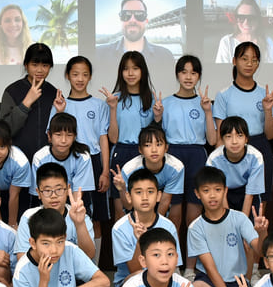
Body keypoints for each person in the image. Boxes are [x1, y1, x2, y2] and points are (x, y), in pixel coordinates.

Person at [188, 167, 269, 287]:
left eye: (217, 190)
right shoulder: (195, 227)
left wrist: (262, 233)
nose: (212, 195)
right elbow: (210, 269)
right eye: (206, 190)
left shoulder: (239, 218)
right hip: (209, 281)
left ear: (225, 191)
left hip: (237, 281)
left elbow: (261, 252)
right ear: (197, 194)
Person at [160, 55, 218, 234]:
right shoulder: (165, 103)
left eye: (193, 73)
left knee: (195, 211)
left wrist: (208, 112)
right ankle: (172, 252)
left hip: (197, 155)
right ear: (177, 74)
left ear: (199, 76)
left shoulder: (204, 103)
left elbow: (212, 140)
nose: (188, 77)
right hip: (172, 155)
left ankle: (193, 253)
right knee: (173, 211)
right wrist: (157, 117)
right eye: (184, 72)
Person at [213, 41, 273, 201]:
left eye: (254, 60)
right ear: (234, 61)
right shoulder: (224, 94)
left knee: (260, 201)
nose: (249, 64)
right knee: (230, 200)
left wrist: (268, 109)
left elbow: (270, 135)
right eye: (244, 59)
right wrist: (219, 162)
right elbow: (220, 136)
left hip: (259, 145)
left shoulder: (265, 94)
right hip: (232, 149)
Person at [50, 56, 111, 224]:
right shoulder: (60, 104)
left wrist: (105, 171)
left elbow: (103, 139)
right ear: (67, 75)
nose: (80, 79)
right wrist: (60, 111)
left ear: (90, 77)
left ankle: (94, 243)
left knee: (95, 217)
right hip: (67, 160)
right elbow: (53, 135)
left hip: (93, 160)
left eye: (85, 74)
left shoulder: (99, 105)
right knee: (64, 213)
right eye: (75, 74)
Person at [110, 169, 180, 287]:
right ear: (129, 196)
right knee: (142, 276)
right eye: (138, 192)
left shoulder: (168, 226)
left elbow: (173, 264)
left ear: (158, 196)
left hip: (162, 276)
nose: (145, 197)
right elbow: (134, 270)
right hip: (130, 280)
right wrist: (140, 241)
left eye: (150, 192)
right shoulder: (119, 228)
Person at [14, 164, 96, 262]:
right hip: (41, 269)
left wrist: (79, 224)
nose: (53, 196)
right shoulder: (29, 217)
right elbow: (22, 258)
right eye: (47, 190)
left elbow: (89, 255)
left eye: (59, 189)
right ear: (38, 193)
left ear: (68, 189)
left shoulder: (80, 215)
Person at [93, 0, 178, 83]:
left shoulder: (166, 57)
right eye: (126, 15)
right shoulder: (98, 54)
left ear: (146, 21)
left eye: (139, 15)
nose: (132, 20)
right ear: (121, 20)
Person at [101, 49, 159, 179]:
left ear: (143, 71)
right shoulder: (114, 99)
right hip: (121, 152)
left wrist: (158, 116)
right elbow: (113, 139)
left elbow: (157, 134)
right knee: (119, 191)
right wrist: (113, 108)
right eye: (126, 69)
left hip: (145, 153)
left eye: (135, 68)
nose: (130, 73)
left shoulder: (152, 100)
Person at [0, 43, 57, 162]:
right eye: (34, 65)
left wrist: (59, 112)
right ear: (26, 65)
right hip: (18, 159)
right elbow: (3, 131)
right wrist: (26, 103)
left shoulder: (53, 92)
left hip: (48, 159)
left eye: (45, 65)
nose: (40, 70)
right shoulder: (12, 91)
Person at [115, 125, 184, 220]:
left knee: (174, 212)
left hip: (162, 193)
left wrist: (155, 224)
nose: (154, 150)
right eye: (147, 145)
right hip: (141, 197)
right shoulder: (129, 170)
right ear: (140, 150)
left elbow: (165, 201)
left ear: (166, 148)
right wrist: (122, 189)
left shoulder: (176, 167)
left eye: (159, 144)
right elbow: (129, 206)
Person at [31, 113, 95, 213]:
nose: (64, 140)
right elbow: (41, 193)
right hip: (49, 199)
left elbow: (77, 194)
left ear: (75, 137)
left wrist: (72, 214)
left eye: (69, 135)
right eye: (58, 135)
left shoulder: (83, 157)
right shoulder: (39, 158)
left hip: (74, 199)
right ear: (49, 135)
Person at [206, 116, 265, 217]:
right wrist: (230, 221)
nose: (234, 141)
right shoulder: (214, 159)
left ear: (246, 138)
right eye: (228, 136)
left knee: (251, 222)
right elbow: (219, 191)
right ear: (222, 139)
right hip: (223, 193)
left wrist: (243, 222)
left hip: (247, 193)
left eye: (240, 136)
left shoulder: (255, 157)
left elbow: (250, 194)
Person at [213, 0, 273, 64]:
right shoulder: (226, 42)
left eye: (251, 18)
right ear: (236, 19)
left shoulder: (268, 43)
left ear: (258, 20)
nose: (246, 22)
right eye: (241, 17)